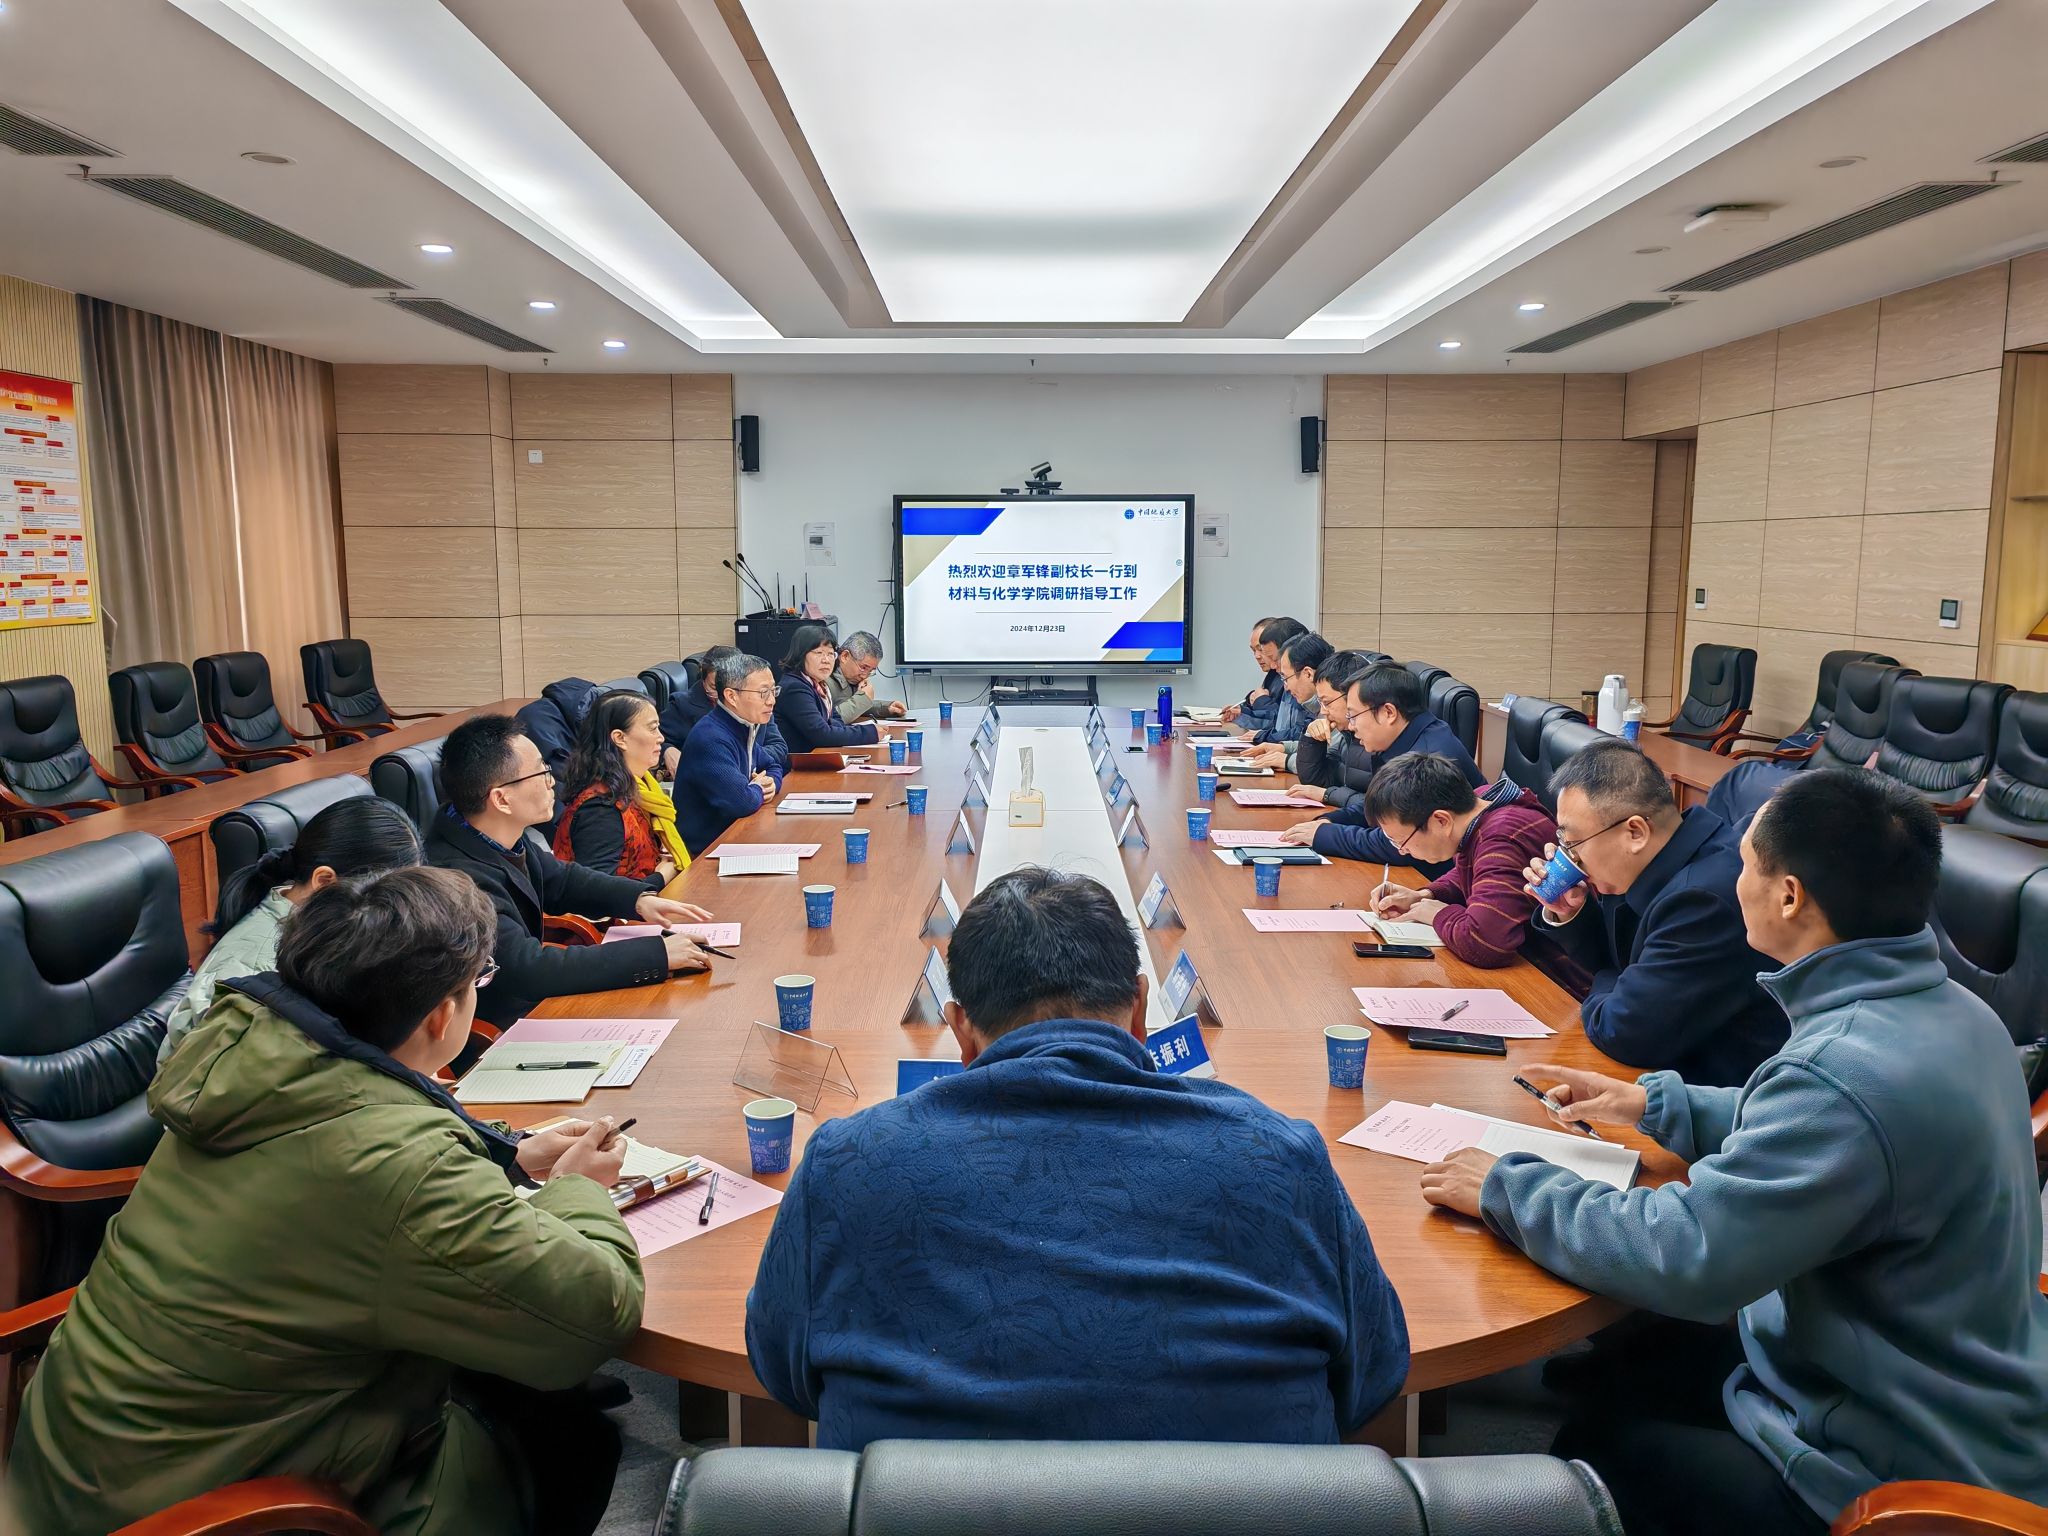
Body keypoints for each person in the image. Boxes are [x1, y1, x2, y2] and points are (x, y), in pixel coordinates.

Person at [1421, 770, 2048, 1536]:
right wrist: (1656, 1104)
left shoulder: (1842, 1070)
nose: (1731, 880)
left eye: (1745, 864)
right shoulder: (1958, 1013)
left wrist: (1506, 1186)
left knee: (1595, 1451)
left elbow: (1686, 1253)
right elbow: (1831, 1134)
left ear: (1788, 896)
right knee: (1627, 1369)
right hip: (1957, 1386)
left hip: (1890, 1459)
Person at [9, 867, 644, 1536]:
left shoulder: (248, 1066)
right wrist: (578, 1188)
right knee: (572, 1438)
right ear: (442, 1013)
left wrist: (506, 1155)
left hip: (78, 1468)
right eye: (477, 982)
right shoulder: (401, 1165)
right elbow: (593, 1316)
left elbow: (337, 1183)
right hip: (210, 1510)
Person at [746, 866, 1408, 1449]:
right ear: (1141, 1008)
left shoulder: (849, 1164)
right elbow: (1371, 1376)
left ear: (960, 1031)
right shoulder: (1279, 1158)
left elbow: (784, 1372)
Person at [1519, 737, 1784, 1085]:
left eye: (1573, 843)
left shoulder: (1702, 903)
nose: (1572, 858)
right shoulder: (1656, 862)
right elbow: (1620, 965)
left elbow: (1623, 1031)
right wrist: (1574, 913)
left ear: (1635, 832)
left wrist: (1614, 983)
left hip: (1717, 1098)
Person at [427, 713, 712, 1028]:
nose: (552, 781)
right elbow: (527, 968)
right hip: (503, 1028)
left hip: (537, 1006)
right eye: (541, 772)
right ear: (502, 799)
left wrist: (639, 899)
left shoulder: (490, 833)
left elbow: (562, 880)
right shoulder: (457, 879)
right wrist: (656, 955)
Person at [158, 796, 422, 1066]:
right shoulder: (252, 970)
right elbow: (215, 1076)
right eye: (387, 899)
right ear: (325, 881)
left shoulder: (326, 929)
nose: (398, 914)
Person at [1361, 753, 1556, 968]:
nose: (1402, 851)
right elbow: (1479, 872)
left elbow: (1486, 943)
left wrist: (1437, 913)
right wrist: (1424, 896)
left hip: (1552, 975)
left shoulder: (1502, 838)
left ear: (1441, 820)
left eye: (1401, 841)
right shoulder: (1480, 803)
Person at [1282, 662, 1481, 869]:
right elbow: (1384, 806)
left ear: (1388, 712)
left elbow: (1400, 844)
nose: (1351, 726)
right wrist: (1332, 820)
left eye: (1353, 716)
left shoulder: (1428, 757)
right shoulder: (1402, 740)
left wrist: (1327, 835)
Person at [553, 689, 690, 882]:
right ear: (620, 738)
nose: (661, 738)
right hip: (638, 900)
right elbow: (597, 893)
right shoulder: (600, 809)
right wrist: (662, 876)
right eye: (652, 729)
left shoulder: (643, 786)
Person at [675, 650, 789, 856]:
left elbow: (773, 764)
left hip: (735, 837)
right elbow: (742, 802)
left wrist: (771, 783)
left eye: (774, 691)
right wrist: (756, 788)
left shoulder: (742, 725)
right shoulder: (711, 738)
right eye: (763, 692)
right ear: (731, 696)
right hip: (703, 853)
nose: (772, 700)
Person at [775, 623, 882, 751]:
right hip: (799, 761)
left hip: (818, 755)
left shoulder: (819, 685)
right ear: (801, 654)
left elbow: (835, 721)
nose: (826, 660)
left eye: (831, 654)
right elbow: (821, 734)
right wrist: (870, 733)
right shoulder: (795, 688)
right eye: (819, 653)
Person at [1293, 649, 1375, 809]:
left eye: (1326, 703)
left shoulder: (1377, 739)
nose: (1323, 711)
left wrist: (1328, 795)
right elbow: (1318, 781)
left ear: (1353, 695)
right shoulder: (1347, 734)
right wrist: (1312, 739)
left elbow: (1382, 806)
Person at [1242, 630, 1331, 770]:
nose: (1286, 687)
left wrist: (1287, 760)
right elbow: (1317, 746)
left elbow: (1334, 762)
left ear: (1308, 674)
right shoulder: (1316, 704)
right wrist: (1284, 747)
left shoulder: (1337, 707)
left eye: (1285, 678)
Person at [1218, 616, 1300, 734]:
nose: (1257, 656)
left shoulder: (1295, 677)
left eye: (1261, 649)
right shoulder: (1273, 673)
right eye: (1254, 650)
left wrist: (1261, 701)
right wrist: (1243, 713)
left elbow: (1281, 725)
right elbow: (1273, 720)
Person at [659, 645, 736, 750]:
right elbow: (653, 740)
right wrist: (667, 750)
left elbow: (761, 741)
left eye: (730, 689)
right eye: (714, 687)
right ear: (703, 679)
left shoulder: (753, 699)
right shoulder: (680, 706)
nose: (722, 695)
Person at [827, 631, 906, 724]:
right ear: (845, 656)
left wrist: (886, 708)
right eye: (863, 668)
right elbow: (828, 721)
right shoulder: (823, 680)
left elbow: (849, 705)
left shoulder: (850, 679)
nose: (865, 675)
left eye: (871, 670)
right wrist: (863, 698)